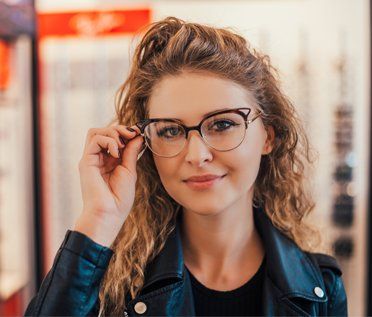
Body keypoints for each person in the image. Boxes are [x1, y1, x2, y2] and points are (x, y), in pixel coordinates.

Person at [24, 16, 348, 316]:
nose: (197, 155)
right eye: (170, 130)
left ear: (268, 137)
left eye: (222, 125)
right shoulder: (113, 287)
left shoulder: (320, 289)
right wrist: (98, 219)